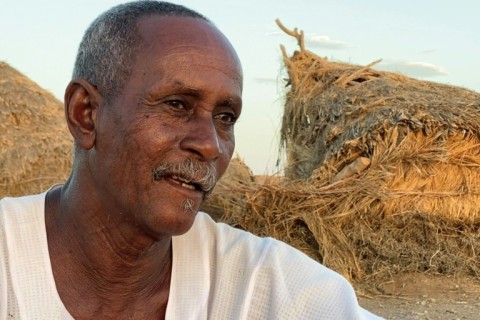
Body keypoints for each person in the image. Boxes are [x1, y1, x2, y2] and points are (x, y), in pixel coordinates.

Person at [0, 1, 382, 319]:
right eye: (177, 104)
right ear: (86, 114)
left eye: (225, 117)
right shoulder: (9, 262)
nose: (211, 145)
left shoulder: (258, 287)